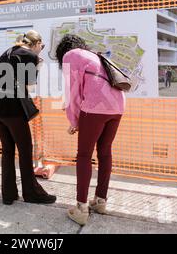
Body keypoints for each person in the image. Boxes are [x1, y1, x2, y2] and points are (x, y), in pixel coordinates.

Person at [55, 34, 126, 226]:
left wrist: (73, 121)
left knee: (84, 156)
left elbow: (73, 93)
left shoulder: (70, 56)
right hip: (118, 106)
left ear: (63, 51)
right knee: (105, 153)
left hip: (95, 107)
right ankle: (100, 201)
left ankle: (81, 208)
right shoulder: (95, 56)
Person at [0, 30, 57, 205]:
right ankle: (32, 193)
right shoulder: (29, 55)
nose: (42, 49)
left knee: (8, 150)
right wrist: (38, 63)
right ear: (37, 43)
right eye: (42, 46)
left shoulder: (9, 51)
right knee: (25, 150)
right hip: (11, 108)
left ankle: (8, 194)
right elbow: (30, 84)